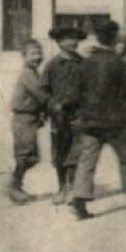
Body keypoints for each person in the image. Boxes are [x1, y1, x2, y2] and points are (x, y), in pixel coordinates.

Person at [69, 19, 126, 221]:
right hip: (114, 122)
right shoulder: (119, 64)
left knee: (87, 161)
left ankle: (79, 203)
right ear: (113, 38)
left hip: (90, 121)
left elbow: (76, 92)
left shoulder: (85, 63)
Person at [39, 24, 87, 205]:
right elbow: (43, 90)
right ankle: (61, 188)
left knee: (76, 151)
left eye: (75, 38)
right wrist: (52, 104)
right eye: (68, 38)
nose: (73, 42)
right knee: (59, 152)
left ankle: (73, 188)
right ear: (59, 42)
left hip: (79, 115)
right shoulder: (52, 65)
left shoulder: (83, 63)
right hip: (58, 117)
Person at [8, 40, 50, 203]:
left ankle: (16, 186)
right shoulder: (27, 74)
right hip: (23, 118)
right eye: (33, 54)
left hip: (30, 118)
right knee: (26, 156)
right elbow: (42, 95)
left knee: (31, 156)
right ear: (23, 56)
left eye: (39, 53)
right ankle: (13, 186)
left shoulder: (33, 72)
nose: (37, 57)